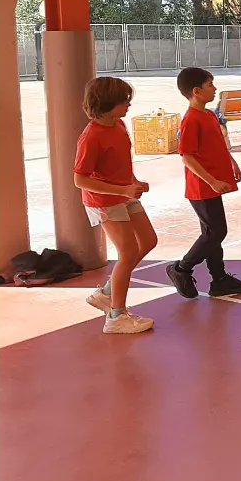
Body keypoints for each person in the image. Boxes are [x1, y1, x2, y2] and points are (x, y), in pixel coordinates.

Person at [74, 77, 157, 334]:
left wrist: (133, 182)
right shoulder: (91, 137)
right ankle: (116, 315)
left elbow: (121, 164)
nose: (128, 106)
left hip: (123, 194)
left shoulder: (118, 125)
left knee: (148, 241)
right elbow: (80, 179)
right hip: (104, 200)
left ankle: (107, 292)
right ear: (108, 103)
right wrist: (122, 189)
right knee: (128, 252)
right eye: (124, 101)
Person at [167, 68, 241, 300]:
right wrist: (212, 181)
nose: (214, 89)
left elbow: (218, 145)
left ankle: (219, 279)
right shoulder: (191, 119)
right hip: (202, 187)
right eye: (210, 85)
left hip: (212, 185)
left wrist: (231, 162)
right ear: (196, 91)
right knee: (216, 231)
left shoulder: (209, 115)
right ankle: (182, 268)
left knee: (212, 232)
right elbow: (187, 155)